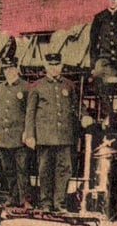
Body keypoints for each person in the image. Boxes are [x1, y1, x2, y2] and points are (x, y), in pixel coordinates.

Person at [24, 52, 83, 212]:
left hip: (64, 136)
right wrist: (29, 135)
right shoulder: (37, 87)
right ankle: (46, 203)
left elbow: (76, 108)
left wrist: (84, 117)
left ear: (61, 66)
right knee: (45, 171)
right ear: (46, 66)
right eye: (51, 65)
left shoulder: (69, 86)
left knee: (64, 170)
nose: (54, 68)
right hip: (45, 137)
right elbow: (30, 113)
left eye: (57, 65)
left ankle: (60, 203)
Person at [0, 56, 29, 207]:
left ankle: (25, 200)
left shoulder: (26, 87)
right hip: (3, 138)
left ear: (16, 68)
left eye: (11, 68)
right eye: (6, 69)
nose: (8, 72)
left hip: (19, 138)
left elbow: (29, 113)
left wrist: (27, 132)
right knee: (9, 170)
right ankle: (12, 198)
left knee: (22, 170)